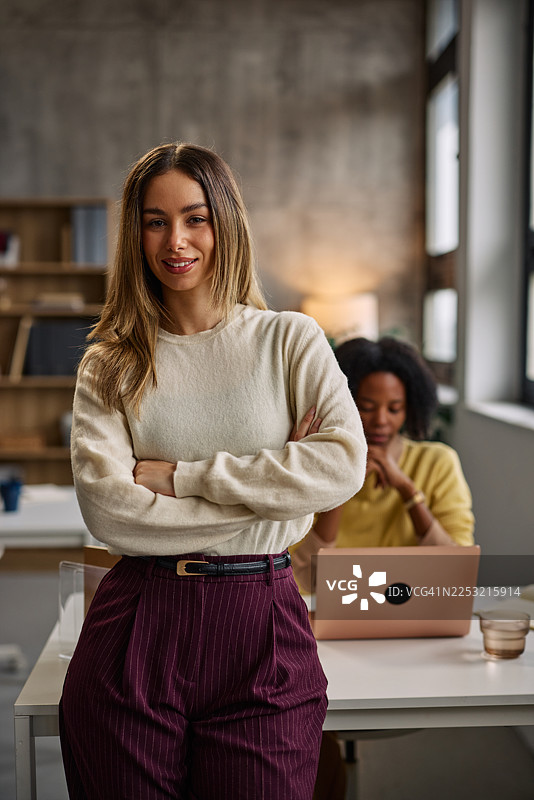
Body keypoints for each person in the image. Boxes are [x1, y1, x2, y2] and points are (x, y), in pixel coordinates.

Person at [59, 142, 367, 800]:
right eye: (156, 221)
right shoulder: (109, 363)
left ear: (225, 222)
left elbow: (342, 465)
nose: (176, 241)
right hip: (137, 624)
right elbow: (112, 514)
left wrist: (180, 478)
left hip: (264, 625)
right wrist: (278, 492)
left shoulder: (290, 340)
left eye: (195, 218)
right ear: (135, 234)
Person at [291, 336, 475, 593]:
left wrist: (408, 491)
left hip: (413, 608)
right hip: (331, 607)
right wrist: (344, 485)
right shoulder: (315, 465)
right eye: (366, 407)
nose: (380, 420)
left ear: (410, 409)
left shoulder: (438, 463)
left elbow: (459, 570)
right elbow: (303, 579)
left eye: (394, 409)